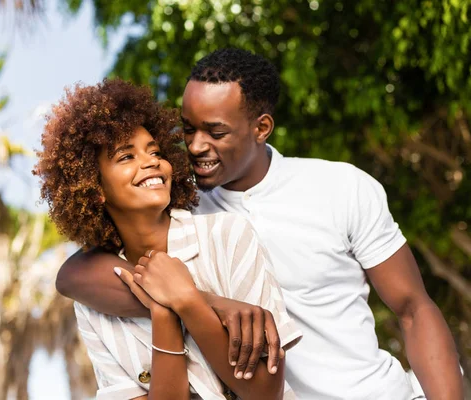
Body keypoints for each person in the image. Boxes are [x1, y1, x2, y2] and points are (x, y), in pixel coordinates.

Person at [55, 49, 464, 399]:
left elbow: (413, 309)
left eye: (215, 132)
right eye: (188, 129)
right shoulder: (181, 214)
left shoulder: (341, 186)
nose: (195, 146)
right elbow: (74, 277)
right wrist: (201, 301)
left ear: (261, 128)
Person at [33, 79, 302, 399]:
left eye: (155, 151)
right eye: (126, 157)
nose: (150, 162)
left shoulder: (228, 237)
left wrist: (188, 300)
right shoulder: (93, 307)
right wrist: (166, 310)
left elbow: (265, 393)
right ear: (96, 189)